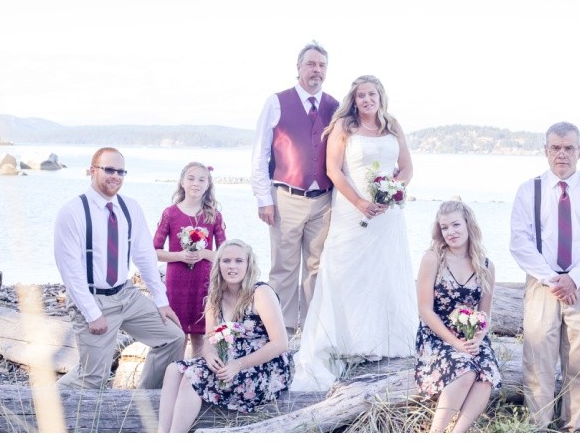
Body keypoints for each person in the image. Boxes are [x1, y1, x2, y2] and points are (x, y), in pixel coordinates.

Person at [291, 75, 418, 391]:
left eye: (371, 94)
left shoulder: (393, 126)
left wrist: (392, 193)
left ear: (380, 96)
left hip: (387, 215)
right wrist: (361, 201)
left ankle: (386, 344)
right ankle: (346, 343)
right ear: (354, 99)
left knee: (385, 273)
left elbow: (407, 168)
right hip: (352, 209)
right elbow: (334, 170)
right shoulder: (343, 127)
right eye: (361, 95)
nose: (366, 100)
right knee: (350, 274)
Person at [509, 122, 580, 432]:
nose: (562, 154)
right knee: (537, 362)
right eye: (556, 147)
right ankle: (538, 428)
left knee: (579, 363)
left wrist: (575, 277)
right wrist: (553, 278)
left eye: (569, 148)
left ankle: (574, 428)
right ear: (546, 151)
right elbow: (519, 242)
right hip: (543, 286)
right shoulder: (530, 190)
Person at [54, 147, 186, 389]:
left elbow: (145, 256)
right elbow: (70, 271)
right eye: (109, 170)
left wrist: (161, 300)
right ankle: (42, 406)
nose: (116, 176)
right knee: (92, 378)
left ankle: (145, 405)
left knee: (173, 338)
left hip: (126, 294)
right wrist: (92, 313)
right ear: (92, 171)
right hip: (93, 298)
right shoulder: (73, 213)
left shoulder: (130, 208)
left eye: (121, 171)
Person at [157, 239, 291, 432]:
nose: (232, 266)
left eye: (239, 261)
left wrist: (237, 365)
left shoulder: (261, 292)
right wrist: (209, 355)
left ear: (248, 264)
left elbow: (280, 344)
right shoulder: (214, 296)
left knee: (193, 376)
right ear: (218, 265)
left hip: (264, 367)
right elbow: (210, 338)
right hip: (229, 361)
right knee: (173, 369)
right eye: (226, 261)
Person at [251, 41, 339, 334]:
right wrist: (264, 198)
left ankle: (313, 334)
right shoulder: (277, 102)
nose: (316, 70)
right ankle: (282, 332)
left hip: (324, 199)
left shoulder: (335, 107)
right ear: (299, 67)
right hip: (286, 197)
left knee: (317, 267)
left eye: (322, 65)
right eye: (311, 64)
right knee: (284, 268)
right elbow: (260, 152)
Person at [415, 200, 502, 433]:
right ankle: (436, 432)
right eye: (444, 227)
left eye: (455, 225)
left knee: (487, 375)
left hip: (471, 336)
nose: (450, 232)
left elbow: (485, 313)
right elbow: (424, 310)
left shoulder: (486, 266)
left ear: (468, 225)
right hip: (437, 335)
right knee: (466, 370)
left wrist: (478, 338)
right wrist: (456, 344)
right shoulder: (433, 258)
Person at [153, 162, 228, 358]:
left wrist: (204, 254)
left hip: (203, 282)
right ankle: (173, 373)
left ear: (208, 185)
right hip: (176, 281)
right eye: (191, 178)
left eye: (202, 179)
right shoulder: (170, 213)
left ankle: (195, 376)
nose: (196, 183)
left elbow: (224, 255)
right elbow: (154, 251)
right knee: (177, 333)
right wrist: (178, 256)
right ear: (182, 183)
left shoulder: (214, 216)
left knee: (199, 333)